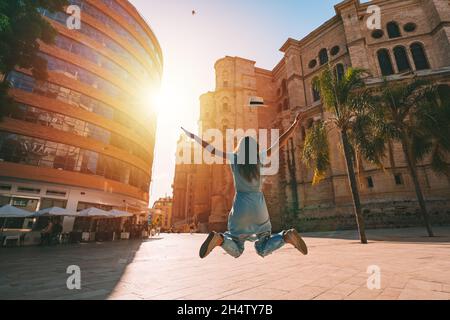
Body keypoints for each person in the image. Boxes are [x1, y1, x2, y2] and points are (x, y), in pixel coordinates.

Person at [181, 113, 308, 259]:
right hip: (259, 207)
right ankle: (286, 237)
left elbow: (210, 149)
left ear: (240, 147)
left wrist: (193, 137)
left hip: (240, 207)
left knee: (237, 247)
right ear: (254, 148)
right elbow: (279, 142)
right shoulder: (259, 156)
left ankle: (220, 240)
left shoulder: (234, 157)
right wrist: (294, 124)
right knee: (263, 245)